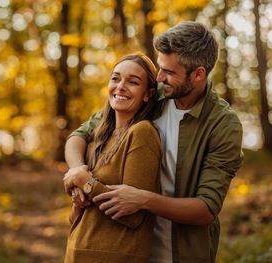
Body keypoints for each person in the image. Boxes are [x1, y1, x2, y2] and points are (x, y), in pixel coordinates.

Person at [64, 21, 244, 263]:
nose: (159, 77)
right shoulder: (152, 96)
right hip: (132, 248)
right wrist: (77, 169)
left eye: (169, 72)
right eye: (160, 68)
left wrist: (142, 199)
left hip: (183, 253)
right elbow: (81, 135)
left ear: (198, 74)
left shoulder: (223, 125)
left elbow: (206, 209)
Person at [63, 52, 162, 262]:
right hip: (78, 253)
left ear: (148, 94)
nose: (121, 86)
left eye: (133, 82)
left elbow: (134, 215)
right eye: (115, 78)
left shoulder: (142, 133)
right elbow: (78, 217)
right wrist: (78, 198)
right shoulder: (99, 136)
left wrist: (85, 182)